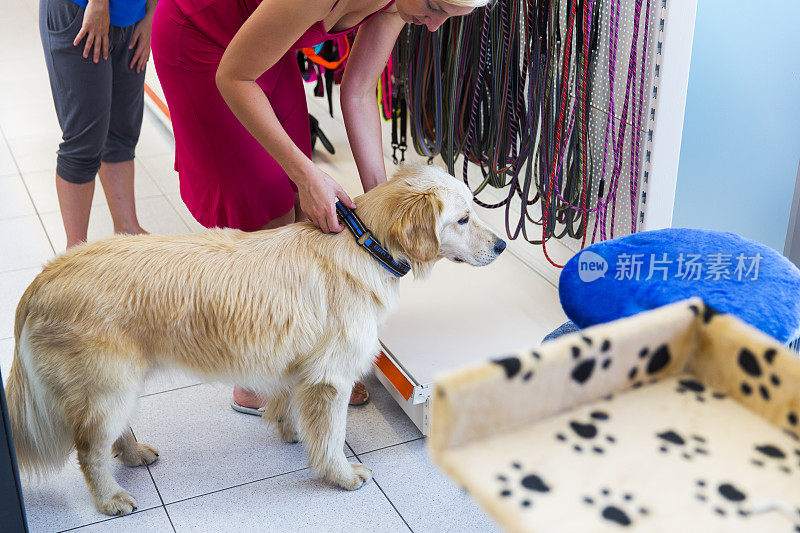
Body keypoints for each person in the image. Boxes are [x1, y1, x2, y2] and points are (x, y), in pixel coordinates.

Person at [150, 0, 488, 412]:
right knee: (266, 204)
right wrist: (307, 175)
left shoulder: (404, 4)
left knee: (297, 208)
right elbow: (235, 76)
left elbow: (360, 91)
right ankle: (257, 375)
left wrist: (384, 213)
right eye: (435, 7)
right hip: (204, 41)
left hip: (269, 47)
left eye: (449, 17)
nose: (434, 26)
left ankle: (304, 356)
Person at [40, 0, 156, 249]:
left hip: (132, 15)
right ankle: (75, 255)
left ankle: (128, 231)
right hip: (81, 10)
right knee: (84, 140)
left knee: (122, 132)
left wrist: (151, 13)